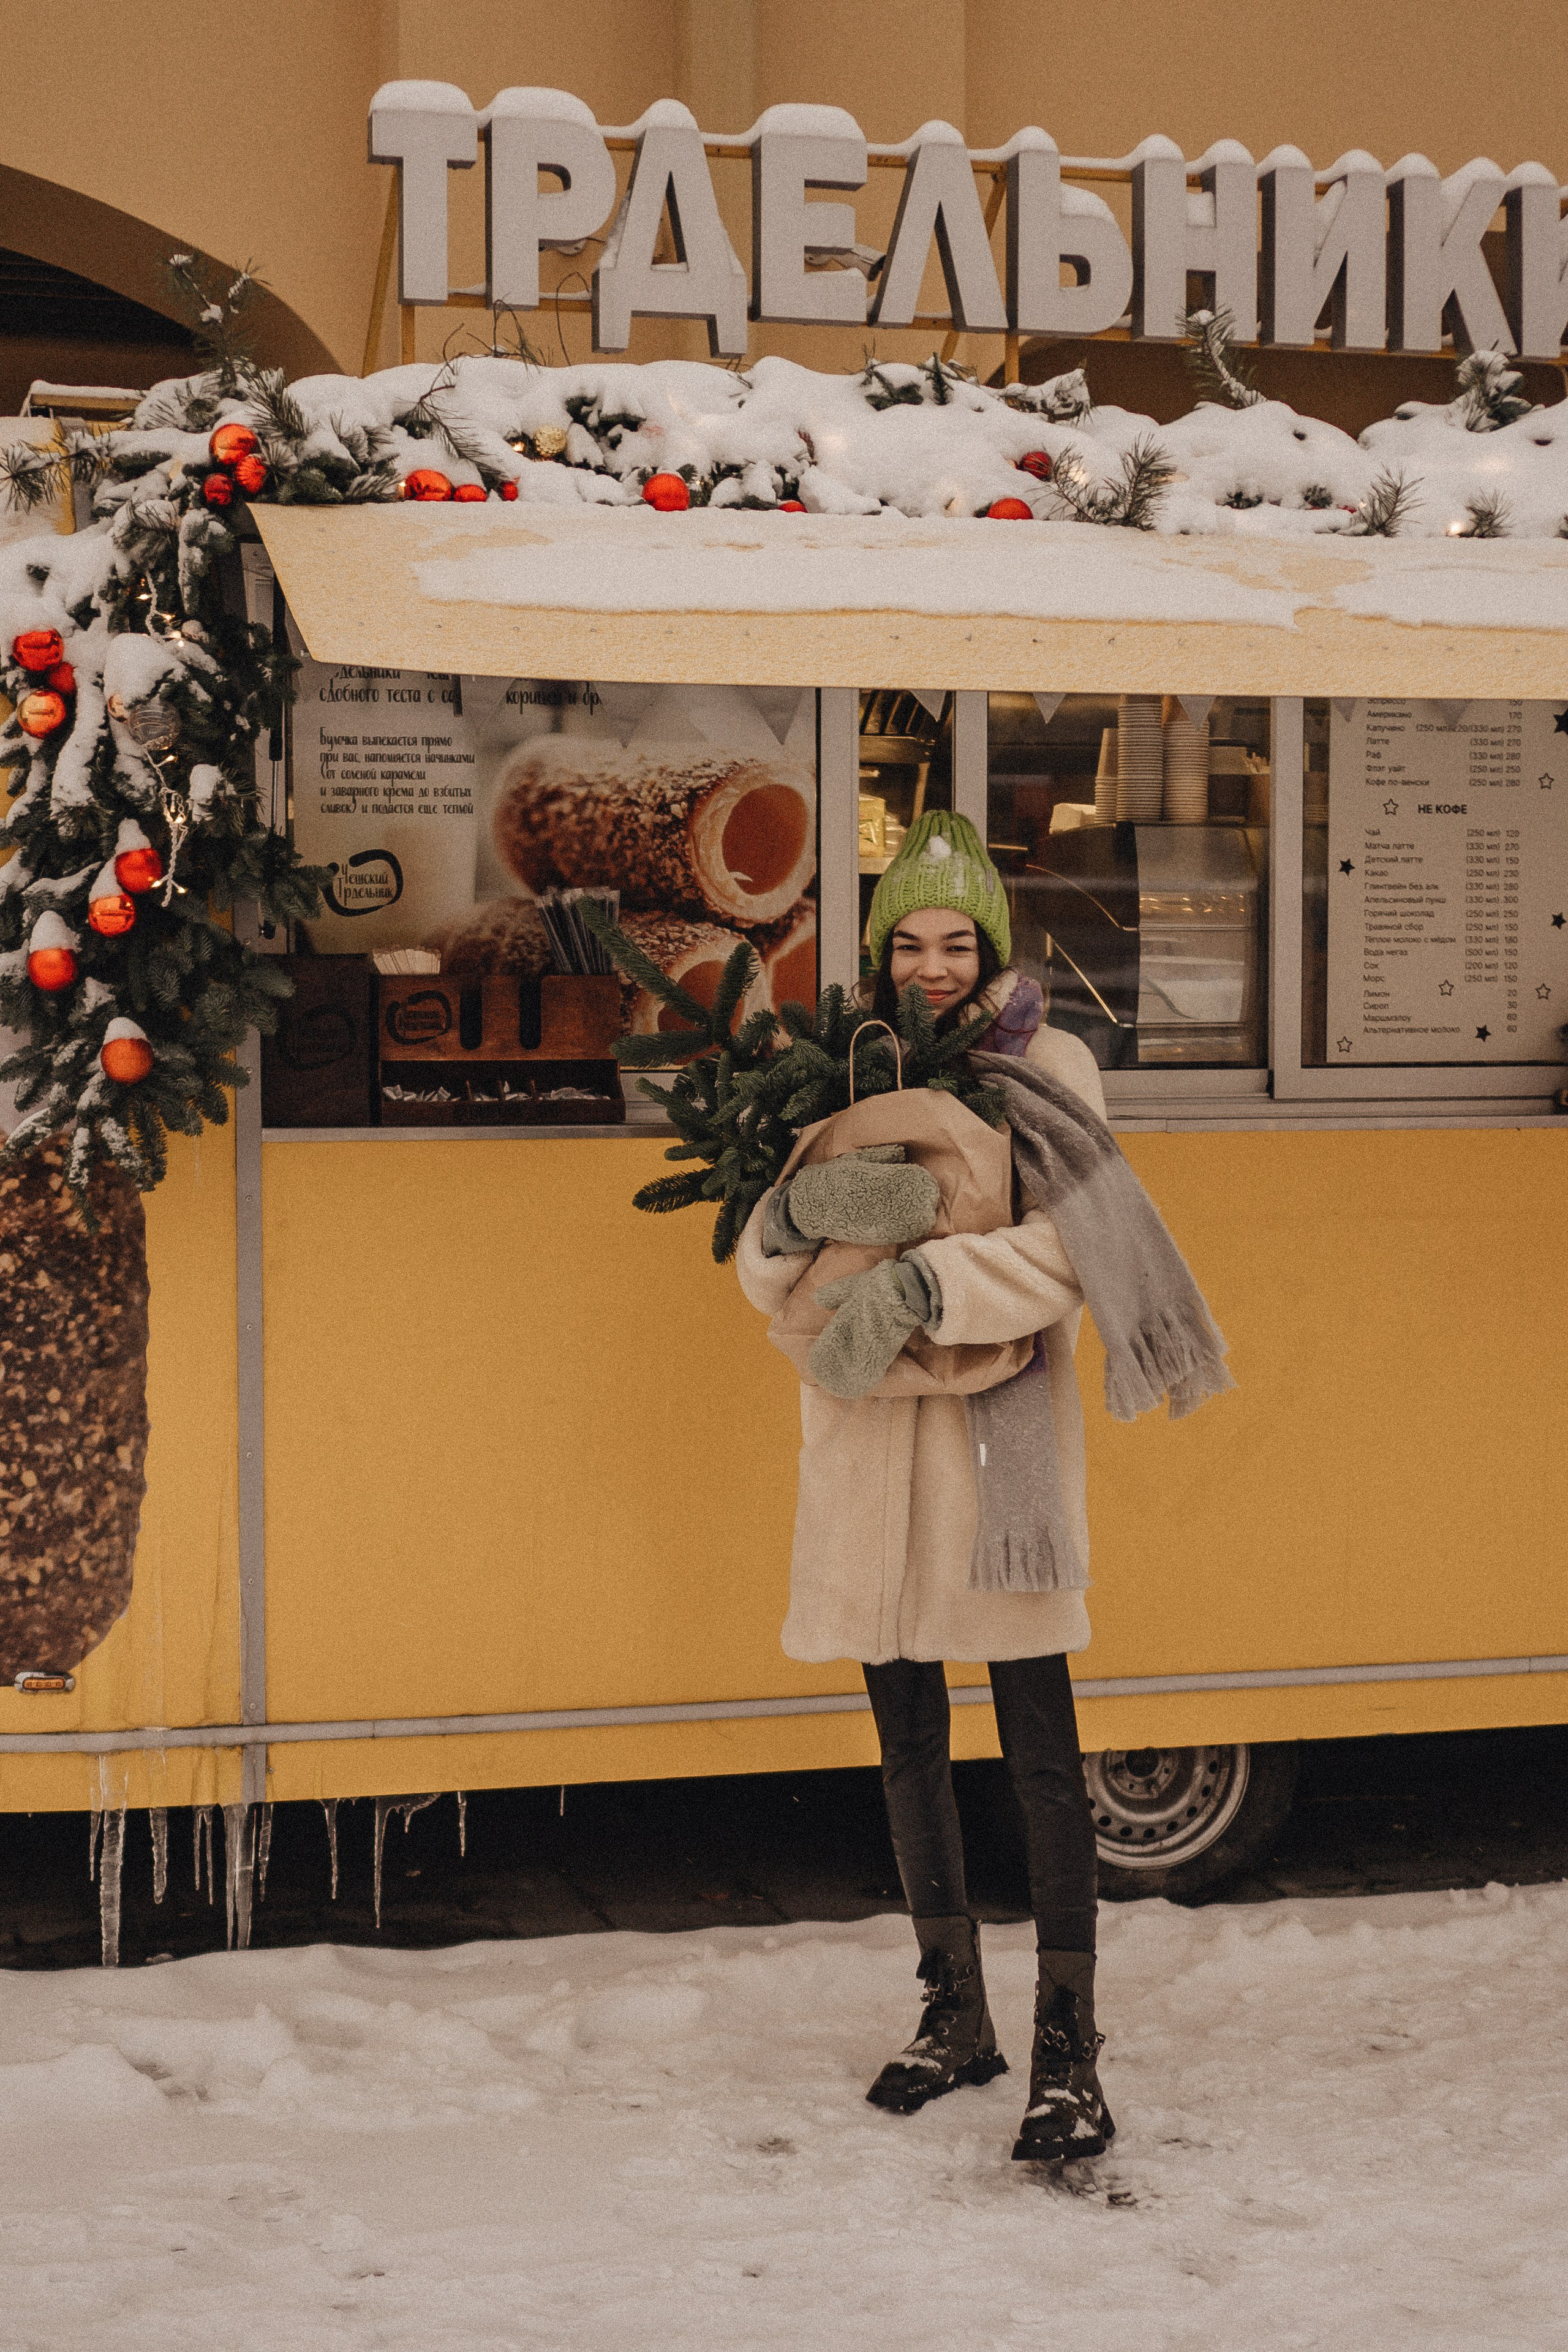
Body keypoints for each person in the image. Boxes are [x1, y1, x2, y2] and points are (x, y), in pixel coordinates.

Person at [734, 809, 1115, 2165]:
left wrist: (927, 1281)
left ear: (992, 947)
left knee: (1039, 1752)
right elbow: (763, 1269)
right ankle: (954, 2012)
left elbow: (1075, 1251)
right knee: (906, 1739)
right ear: (882, 950)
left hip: (993, 1451)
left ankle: (1069, 2048)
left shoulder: (1049, 1066)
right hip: (864, 1444)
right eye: (912, 942)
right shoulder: (839, 1063)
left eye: (959, 942)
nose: (935, 965)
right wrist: (788, 1223)